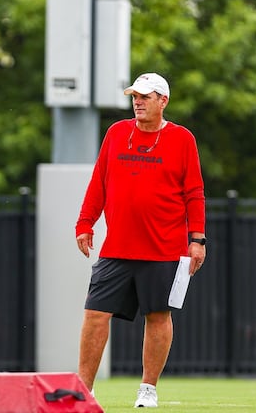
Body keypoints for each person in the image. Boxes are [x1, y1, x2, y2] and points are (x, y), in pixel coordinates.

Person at [74, 72, 206, 408]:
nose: (138, 102)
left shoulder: (182, 139)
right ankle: (84, 390)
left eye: (146, 96)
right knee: (94, 314)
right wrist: (85, 221)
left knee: (158, 316)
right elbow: (99, 180)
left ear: (163, 101)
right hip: (117, 247)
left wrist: (198, 238)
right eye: (135, 96)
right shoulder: (117, 133)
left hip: (164, 249)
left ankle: (148, 388)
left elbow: (194, 192)